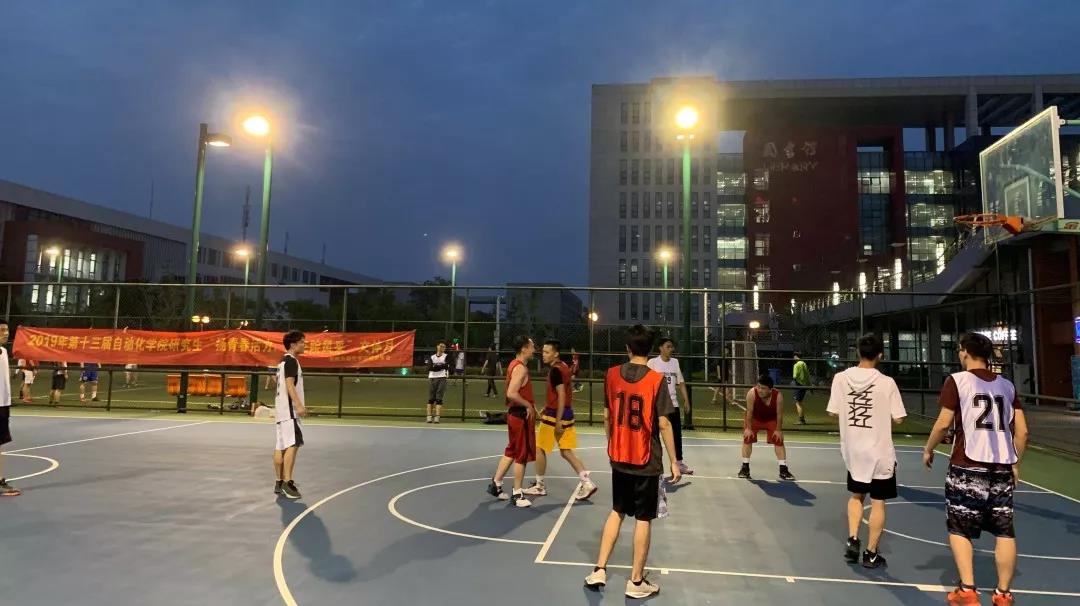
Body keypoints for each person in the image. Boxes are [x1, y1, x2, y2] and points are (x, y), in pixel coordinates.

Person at [923, 333, 1029, 606]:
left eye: (960, 350)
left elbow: (943, 423)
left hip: (967, 465)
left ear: (965, 353)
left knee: (959, 527)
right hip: (1001, 467)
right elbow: (1022, 432)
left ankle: (968, 590)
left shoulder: (958, 381)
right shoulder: (1007, 386)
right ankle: (1003, 594)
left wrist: (929, 448)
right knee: (1004, 531)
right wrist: (1015, 462)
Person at [584, 324, 680, 599]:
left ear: (627, 348)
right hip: (645, 459)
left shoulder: (611, 375)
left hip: (620, 456)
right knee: (643, 518)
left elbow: (606, 416)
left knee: (617, 511)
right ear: (650, 350)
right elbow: (664, 423)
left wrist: (612, 442)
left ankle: (599, 569)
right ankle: (636, 582)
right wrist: (674, 460)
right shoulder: (655, 380)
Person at [826, 334, 906, 569]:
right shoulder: (886, 382)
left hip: (854, 450)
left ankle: (852, 537)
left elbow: (832, 411)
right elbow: (899, 418)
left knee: (856, 495)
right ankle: (871, 553)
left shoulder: (841, 378)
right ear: (880, 354)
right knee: (878, 502)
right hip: (880, 452)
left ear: (858, 352)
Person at [522, 339, 597, 501]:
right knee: (566, 452)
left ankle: (539, 486)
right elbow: (561, 394)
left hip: (555, 416)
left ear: (555, 354)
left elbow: (562, 394)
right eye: (543, 351)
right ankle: (587, 482)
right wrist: (548, 405)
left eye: (547, 352)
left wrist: (557, 421)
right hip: (567, 413)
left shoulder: (556, 370)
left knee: (539, 448)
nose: (543, 354)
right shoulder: (563, 366)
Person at [486, 335, 537, 508]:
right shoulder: (520, 368)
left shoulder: (514, 364)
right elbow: (511, 393)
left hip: (515, 415)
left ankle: (496, 483)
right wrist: (528, 405)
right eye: (532, 346)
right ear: (524, 348)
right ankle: (517, 493)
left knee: (512, 450)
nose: (534, 349)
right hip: (520, 416)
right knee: (521, 455)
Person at [647, 337, 694, 478]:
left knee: (677, 435)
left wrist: (686, 400)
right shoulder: (652, 363)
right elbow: (646, 383)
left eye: (672, 347)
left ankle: (678, 463)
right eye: (668, 346)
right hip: (657, 405)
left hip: (673, 404)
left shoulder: (675, 362)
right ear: (660, 348)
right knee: (654, 436)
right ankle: (652, 464)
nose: (671, 349)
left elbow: (681, 382)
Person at [739, 374, 795, 480]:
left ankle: (783, 469)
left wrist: (778, 430)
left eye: (763, 388)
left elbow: (779, 415)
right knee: (747, 438)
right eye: (758, 387)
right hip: (754, 418)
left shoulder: (778, 396)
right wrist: (748, 429)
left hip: (771, 419)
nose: (760, 390)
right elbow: (749, 412)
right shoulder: (752, 393)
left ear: (770, 389)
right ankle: (745, 468)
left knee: (779, 440)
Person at [274, 330, 308, 500]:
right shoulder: (291, 361)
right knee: (292, 445)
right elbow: (289, 384)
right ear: (293, 344)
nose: (304, 344)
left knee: (280, 447)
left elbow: (279, 382)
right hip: (289, 412)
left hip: (281, 411)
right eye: (302, 342)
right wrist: (299, 405)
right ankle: (288, 483)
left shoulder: (282, 361)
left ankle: (279, 482)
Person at [0, 320, 20, 496]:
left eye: (7, 330)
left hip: (3, 404)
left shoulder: (4, 352)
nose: (6, 333)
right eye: (1, 330)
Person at [426, 342, 450, 423]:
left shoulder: (446, 356)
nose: (442, 348)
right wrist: (441, 367)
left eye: (444, 347)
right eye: (441, 346)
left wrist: (436, 366)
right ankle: (429, 417)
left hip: (442, 378)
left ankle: (437, 417)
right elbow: (429, 368)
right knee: (431, 399)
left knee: (439, 398)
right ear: (437, 346)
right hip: (432, 378)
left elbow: (447, 366)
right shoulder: (432, 357)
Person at [792, 352, 811, 425]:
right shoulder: (804, 364)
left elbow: (795, 376)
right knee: (800, 402)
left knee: (798, 403)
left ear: (795, 356)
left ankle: (801, 420)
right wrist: (810, 386)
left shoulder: (796, 365)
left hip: (799, 385)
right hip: (804, 385)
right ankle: (802, 419)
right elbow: (808, 375)